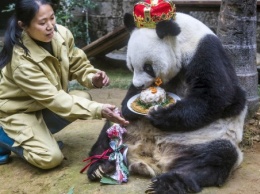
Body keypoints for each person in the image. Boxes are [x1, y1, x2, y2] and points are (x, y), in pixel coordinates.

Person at [0, 0, 129, 169]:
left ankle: (38, 138)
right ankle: (4, 136)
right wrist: (99, 110)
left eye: (52, 18)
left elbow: (78, 64)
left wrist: (92, 77)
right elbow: (54, 99)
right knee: (50, 158)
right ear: (23, 25)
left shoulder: (61, 34)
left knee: (82, 97)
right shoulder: (22, 62)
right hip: (17, 111)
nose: (50, 26)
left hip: (39, 105)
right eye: (42, 22)